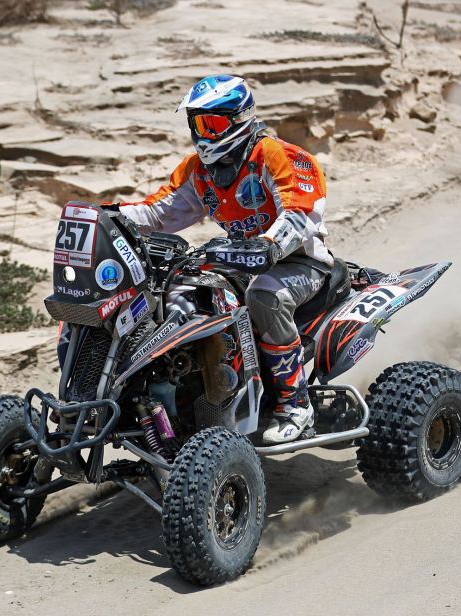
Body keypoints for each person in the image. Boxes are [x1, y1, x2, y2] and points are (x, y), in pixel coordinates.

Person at [118, 74, 330, 445]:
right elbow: (158, 211)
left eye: (212, 123)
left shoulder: (276, 154)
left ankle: (295, 404)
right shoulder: (197, 170)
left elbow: (299, 213)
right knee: (176, 295)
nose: (204, 134)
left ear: (239, 118)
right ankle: (194, 398)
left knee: (265, 296)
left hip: (300, 263)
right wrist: (109, 216)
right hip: (238, 263)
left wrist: (269, 244)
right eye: (197, 123)